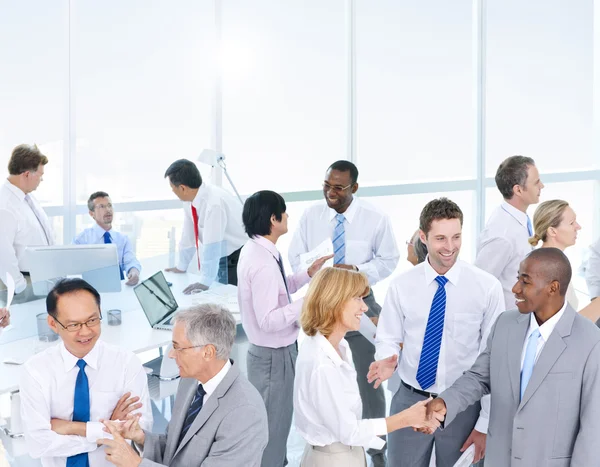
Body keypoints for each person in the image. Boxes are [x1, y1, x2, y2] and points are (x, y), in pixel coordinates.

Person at [426, 248, 600, 466]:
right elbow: (479, 377)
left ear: (552, 288)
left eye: (525, 282)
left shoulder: (590, 340)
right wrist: (445, 402)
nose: (515, 288)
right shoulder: (505, 324)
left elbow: (594, 427)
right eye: (518, 278)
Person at [368, 198, 505, 466]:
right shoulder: (402, 286)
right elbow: (388, 337)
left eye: (456, 237)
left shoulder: (486, 287)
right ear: (423, 237)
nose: (450, 247)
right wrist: (387, 358)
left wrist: (485, 424)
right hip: (410, 399)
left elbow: (492, 360)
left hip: (463, 405)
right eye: (441, 238)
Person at [288, 160, 399, 467]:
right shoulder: (311, 216)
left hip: (358, 301)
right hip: (323, 303)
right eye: (327, 185)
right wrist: (316, 272)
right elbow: (295, 257)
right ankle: (334, 439)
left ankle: (376, 453)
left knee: (368, 383)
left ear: (354, 188)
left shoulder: (374, 217)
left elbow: (389, 259)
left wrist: (357, 271)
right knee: (323, 377)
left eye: (338, 187)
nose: (331, 192)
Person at [295, 267, 440, 467]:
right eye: (357, 298)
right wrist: (406, 418)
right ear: (334, 301)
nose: (364, 308)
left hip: (345, 453)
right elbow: (349, 431)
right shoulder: (323, 364)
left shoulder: (336, 346)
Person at [98, 304, 268, 467]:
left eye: (178, 347)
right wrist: (142, 438)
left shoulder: (245, 413)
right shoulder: (190, 381)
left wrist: (136, 464)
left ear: (207, 352)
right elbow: (176, 448)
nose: (171, 355)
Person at [238, 190, 331, 467]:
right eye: (284, 212)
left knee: (276, 426)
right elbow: (269, 320)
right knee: (273, 431)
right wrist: (308, 300)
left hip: (273, 356)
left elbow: (279, 292)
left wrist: (307, 276)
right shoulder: (263, 262)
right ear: (273, 218)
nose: (288, 216)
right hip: (272, 359)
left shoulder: (259, 249)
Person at [20, 278, 152, 467]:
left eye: (92, 320)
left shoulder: (126, 363)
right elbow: (38, 444)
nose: (85, 332)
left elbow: (141, 429)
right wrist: (102, 431)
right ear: (52, 323)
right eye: (73, 325)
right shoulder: (35, 371)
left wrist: (69, 427)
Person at [164, 159, 246, 292]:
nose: (173, 191)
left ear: (183, 188)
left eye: (172, 188)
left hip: (236, 257)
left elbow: (212, 245)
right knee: (215, 294)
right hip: (222, 256)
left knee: (230, 299)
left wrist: (205, 281)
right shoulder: (190, 201)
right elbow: (188, 235)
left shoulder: (213, 204)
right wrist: (182, 266)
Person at [475, 155, 544, 307]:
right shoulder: (502, 234)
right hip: (508, 322)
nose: (542, 186)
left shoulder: (519, 218)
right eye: (536, 182)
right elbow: (479, 287)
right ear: (518, 190)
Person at [0, 144, 54, 295]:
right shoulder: (5, 205)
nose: (41, 179)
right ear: (26, 174)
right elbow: (3, 254)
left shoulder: (27, 197)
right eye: (40, 174)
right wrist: (20, 287)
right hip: (25, 283)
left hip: (40, 279)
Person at [73, 191, 141, 286]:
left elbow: (131, 261)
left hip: (120, 288)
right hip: (93, 290)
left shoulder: (123, 239)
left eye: (109, 205)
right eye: (102, 207)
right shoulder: (81, 240)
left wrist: (134, 272)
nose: (108, 210)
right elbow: (73, 269)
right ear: (91, 213)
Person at [529, 199, 581, 310]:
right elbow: (565, 324)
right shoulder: (544, 269)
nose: (578, 227)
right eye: (572, 223)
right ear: (552, 231)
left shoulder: (557, 264)